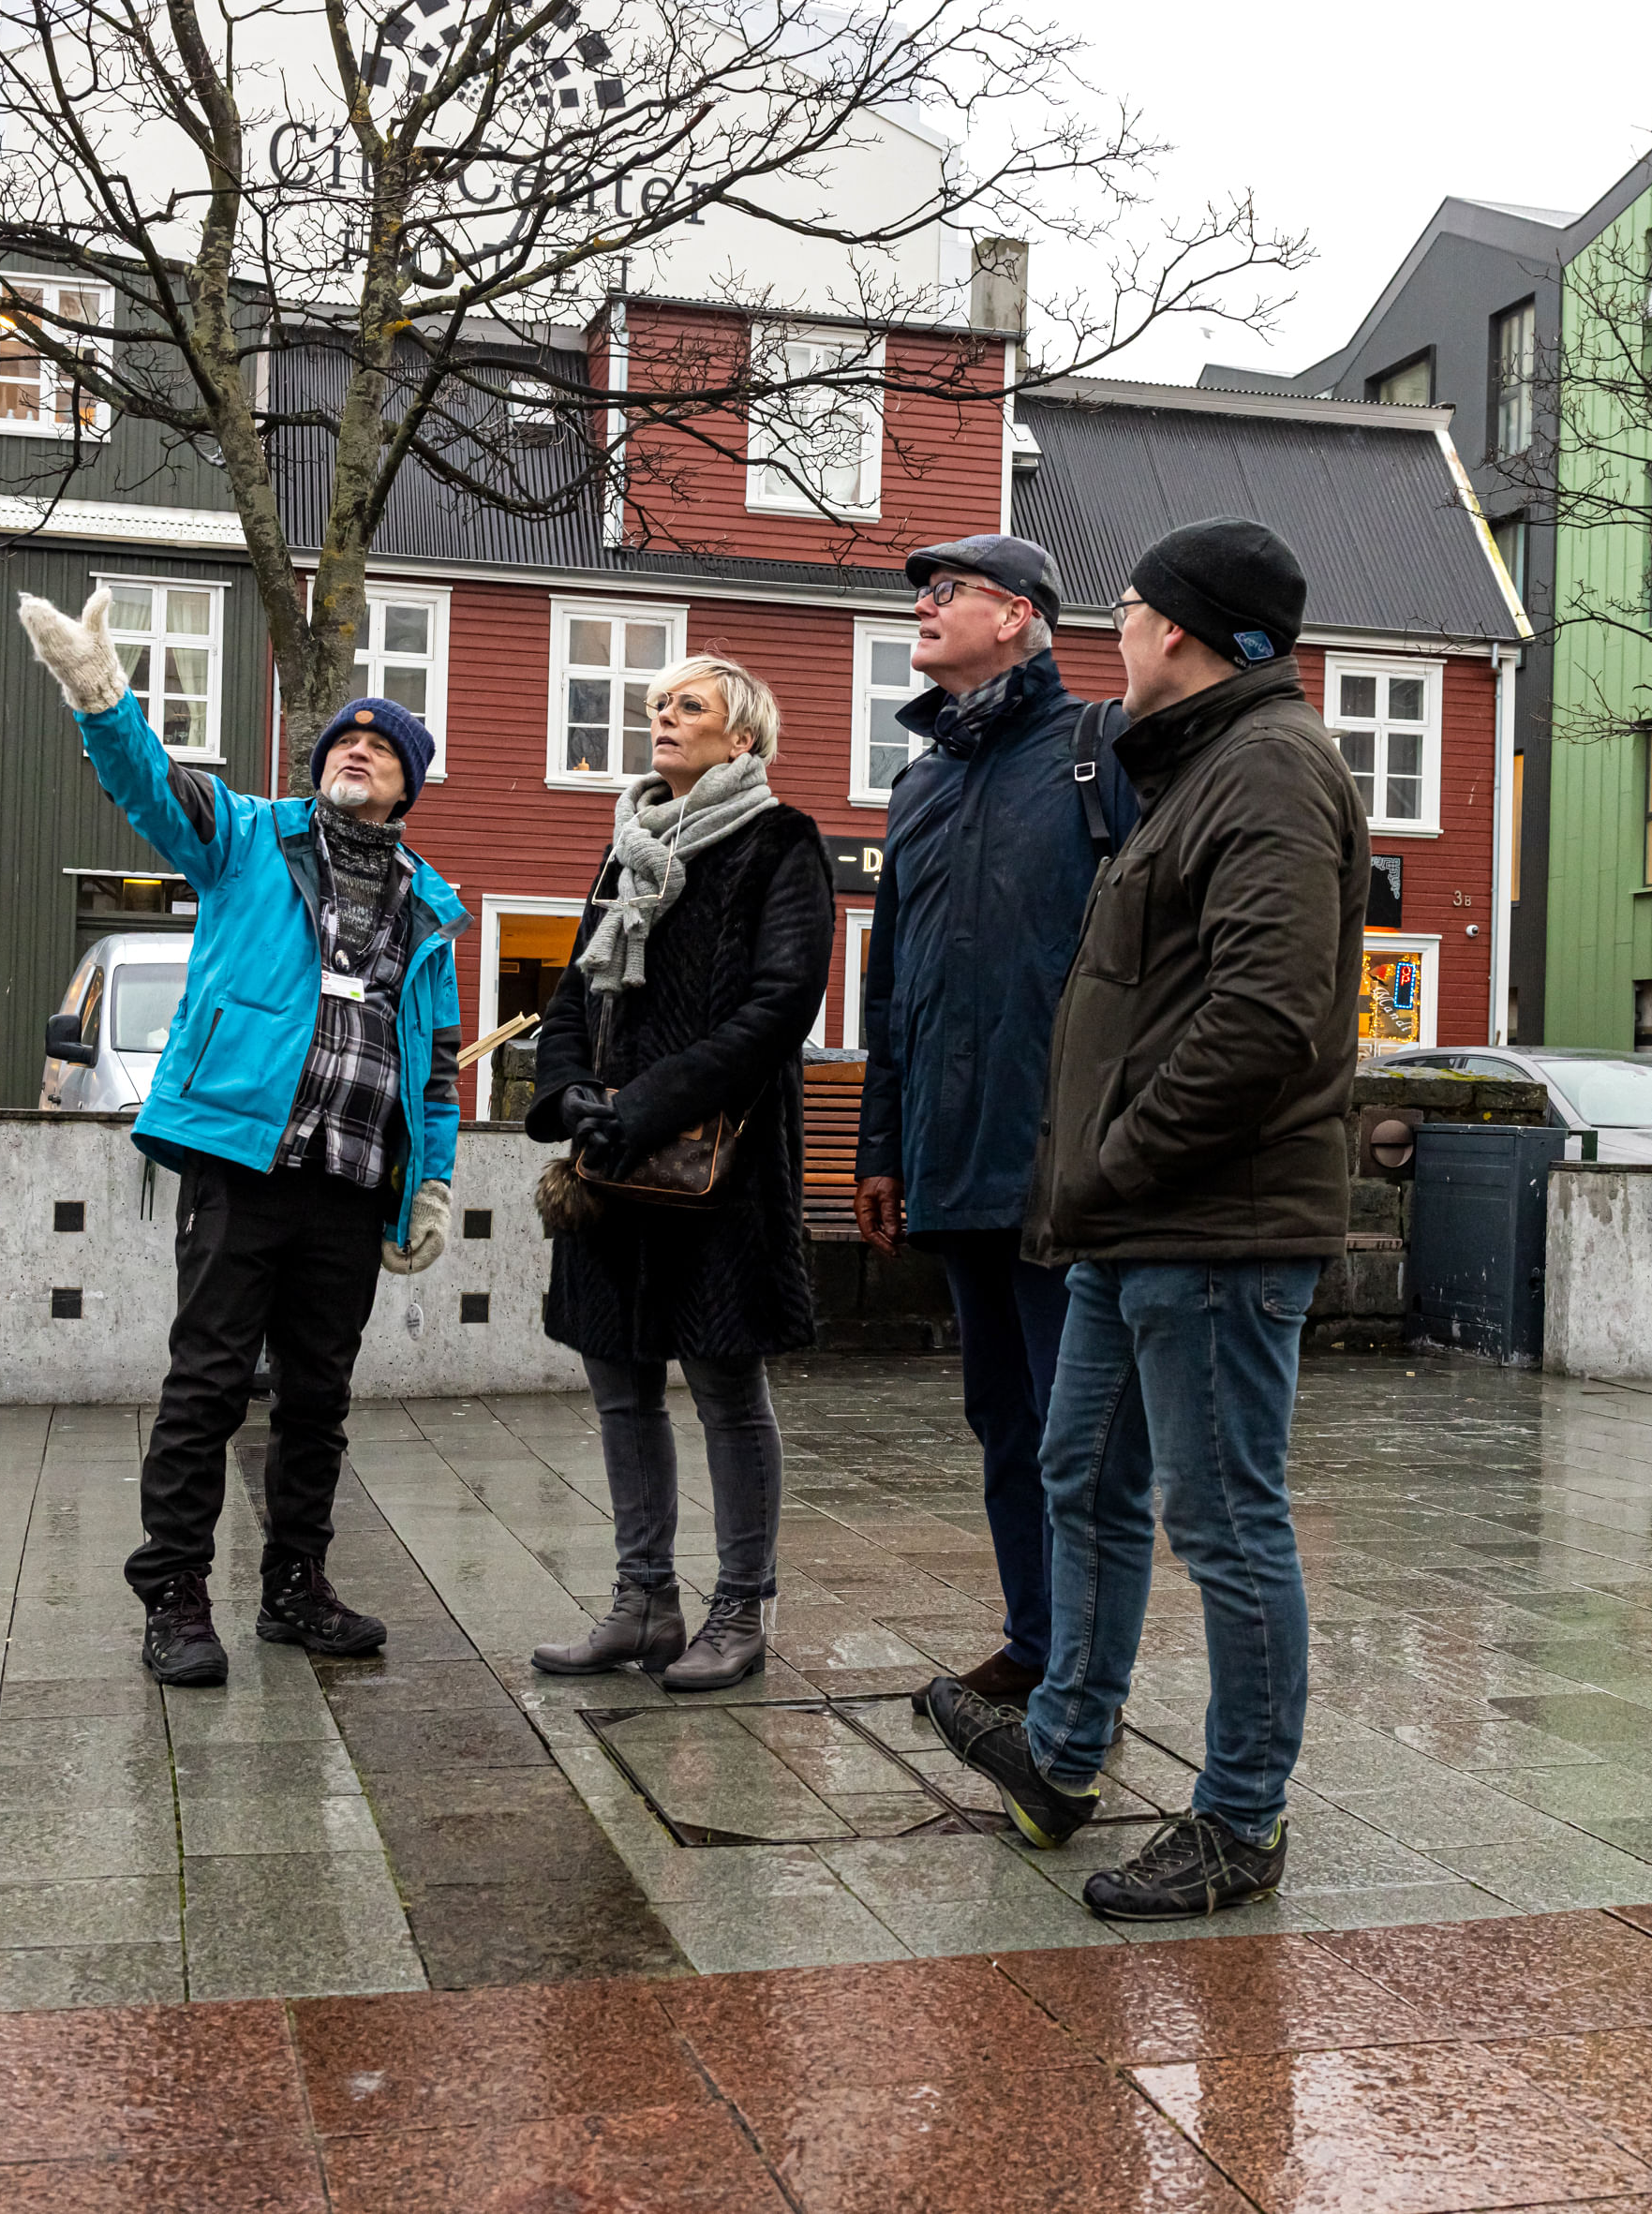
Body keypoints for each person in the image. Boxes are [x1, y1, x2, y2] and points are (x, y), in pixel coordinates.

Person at [927, 518, 1368, 1920]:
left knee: (1225, 1518)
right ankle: (1059, 1751)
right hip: (1132, 1224)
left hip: (1212, 1223)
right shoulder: (1186, 772)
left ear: (1173, 629)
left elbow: (1263, 1014)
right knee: (1083, 1477)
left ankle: (1240, 1818)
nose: (1108, 633)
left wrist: (1115, 1158)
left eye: (1122, 610)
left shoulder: (1268, 769)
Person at [15, 587, 463, 1688]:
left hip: (354, 1181)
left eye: (379, 745)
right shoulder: (252, 838)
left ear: (409, 782)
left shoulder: (430, 910)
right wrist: (101, 694)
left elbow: (437, 1071)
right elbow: (151, 789)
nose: (355, 751)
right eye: (341, 741)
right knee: (208, 1382)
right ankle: (173, 1593)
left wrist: (432, 1186)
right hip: (241, 1160)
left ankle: (294, 1585)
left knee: (319, 1395)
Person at [852, 531, 1150, 1709]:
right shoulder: (918, 782)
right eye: (920, 593)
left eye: (946, 591)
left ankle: (1082, 1676)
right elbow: (892, 983)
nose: (922, 609)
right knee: (1000, 1418)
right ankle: (1034, 1644)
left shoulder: (1099, 752)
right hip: (952, 1153)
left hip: (1065, 1162)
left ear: (1020, 615)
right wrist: (883, 1146)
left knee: (1076, 1436)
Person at [526, 655, 832, 1693]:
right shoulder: (629, 844)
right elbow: (574, 989)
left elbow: (779, 1007)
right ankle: (643, 1600)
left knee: (725, 1387)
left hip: (721, 1168)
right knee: (619, 1384)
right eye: (658, 704)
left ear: (740, 737)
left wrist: (642, 1105)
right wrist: (567, 1093)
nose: (662, 717)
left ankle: (739, 1609)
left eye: (686, 705)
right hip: (610, 1163)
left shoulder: (781, 842)